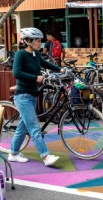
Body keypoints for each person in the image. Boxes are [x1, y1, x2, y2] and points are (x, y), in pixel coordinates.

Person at [9, 27, 64, 167]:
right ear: (29, 42)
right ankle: (45, 157)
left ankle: (13, 153)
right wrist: (36, 78)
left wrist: (60, 69)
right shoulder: (20, 55)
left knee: (22, 127)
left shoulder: (36, 55)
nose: (40, 43)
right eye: (38, 41)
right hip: (22, 96)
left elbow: (46, 64)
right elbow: (17, 73)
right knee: (34, 127)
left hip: (32, 95)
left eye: (40, 41)